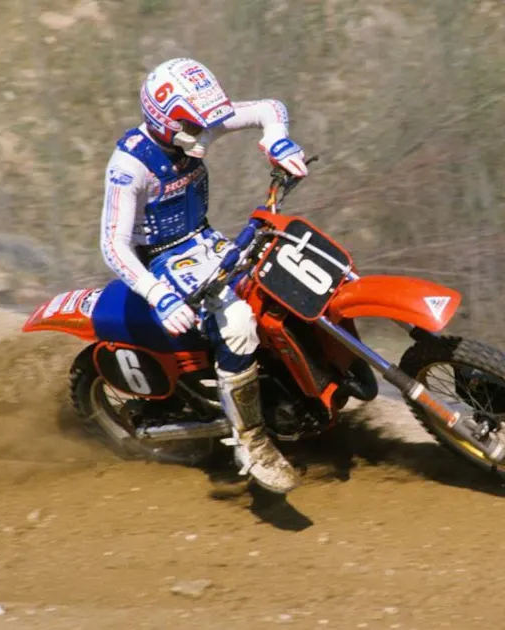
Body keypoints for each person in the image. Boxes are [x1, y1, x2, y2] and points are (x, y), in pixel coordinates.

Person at [99, 57, 308, 494]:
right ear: (168, 123)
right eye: (195, 126)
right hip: (160, 259)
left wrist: (278, 141)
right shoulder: (129, 167)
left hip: (202, 239)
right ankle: (251, 444)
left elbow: (269, 108)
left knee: (279, 273)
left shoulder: (193, 130)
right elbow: (112, 244)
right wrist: (159, 295)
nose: (205, 133)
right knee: (238, 324)